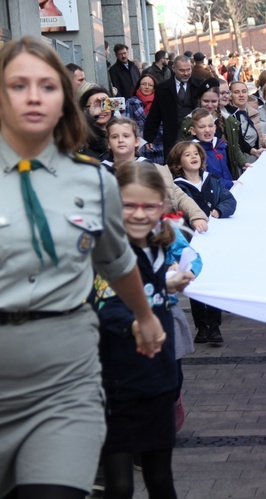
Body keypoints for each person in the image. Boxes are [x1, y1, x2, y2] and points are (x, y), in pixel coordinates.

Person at [0, 36, 165, 499]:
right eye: (18, 85)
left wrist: (145, 316)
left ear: (63, 102)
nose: (34, 96)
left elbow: (114, 259)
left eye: (47, 86)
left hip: (64, 378)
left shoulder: (94, 178)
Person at [95, 162, 190, 499]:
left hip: (159, 379)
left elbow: (151, 289)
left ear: (162, 206)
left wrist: (170, 283)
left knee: (161, 479)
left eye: (149, 206)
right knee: (119, 486)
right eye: (128, 205)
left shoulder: (161, 245)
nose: (139, 214)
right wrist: (135, 322)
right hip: (116, 382)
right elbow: (104, 304)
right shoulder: (106, 251)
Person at [169, 142, 236, 343]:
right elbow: (177, 211)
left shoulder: (212, 180)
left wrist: (218, 211)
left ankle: (215, 327)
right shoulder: (178, 187)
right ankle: (201, 327)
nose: (193, 157)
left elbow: (230, 201)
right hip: (192, 241)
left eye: (196, 153)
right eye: (187, 155)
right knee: (195, 280)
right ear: (179, 162)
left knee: (212, 282)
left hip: (212, 240)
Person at [104, 117, 209, 232]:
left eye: (126, 136)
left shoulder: (154, 169)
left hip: (160, 230)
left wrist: (196, 216)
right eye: (115, 137)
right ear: (108, 143)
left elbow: (178, 196)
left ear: (137, 141)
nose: (120, 140)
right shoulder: (100, 173)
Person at [144, 55, 205, 158]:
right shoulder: (162, 89)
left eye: (188, 70)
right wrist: (149, 138)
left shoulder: (200, 84)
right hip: (172, 137)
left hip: (196, 136)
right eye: (182, 70)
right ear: (174, 69)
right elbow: (155, 115)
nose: (186, 73)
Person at [225, 81, 266, 162]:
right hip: (239, 160)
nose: (241, 95)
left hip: (256, 156)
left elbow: (260, 137)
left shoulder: (254, 112)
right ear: (230, 95)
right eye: (236, 92)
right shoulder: (227, 116)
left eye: (244, 91)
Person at [124, 73, 165, 165]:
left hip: (159, 142)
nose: (147, 87)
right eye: (143, 84)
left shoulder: (161, 101)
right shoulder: (130, 103)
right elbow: (126, 124)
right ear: (139, 86)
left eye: (150, 85)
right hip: (140, 144)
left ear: (154, 88)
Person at [79, 86, 113, 160]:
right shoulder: (79, 135)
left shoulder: (119, 129)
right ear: (84, 109)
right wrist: (90, 117)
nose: (101, 110)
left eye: (105, 105)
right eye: (95, 105)